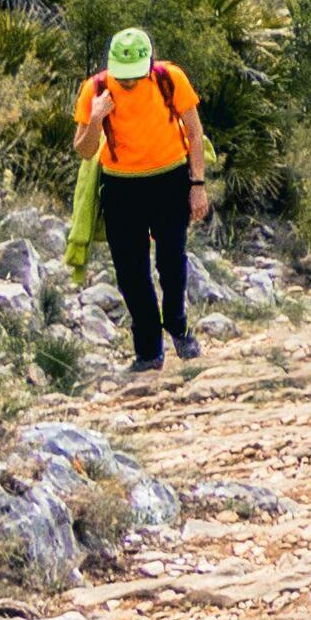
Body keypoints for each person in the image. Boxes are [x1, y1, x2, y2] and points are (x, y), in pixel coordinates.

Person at [78, 26, 206, 373]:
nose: (130, 83)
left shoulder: (170, 78)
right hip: (121, 188)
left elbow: (194, 134)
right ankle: (149, 351)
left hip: (170, 180)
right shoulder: (95, 89)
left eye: (136, 76)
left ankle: (177, 324)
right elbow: (85, 150)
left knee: (171, 261)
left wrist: (198, 184)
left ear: (149, 64)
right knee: (131, 273)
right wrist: (95, 118)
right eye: (125, 77)